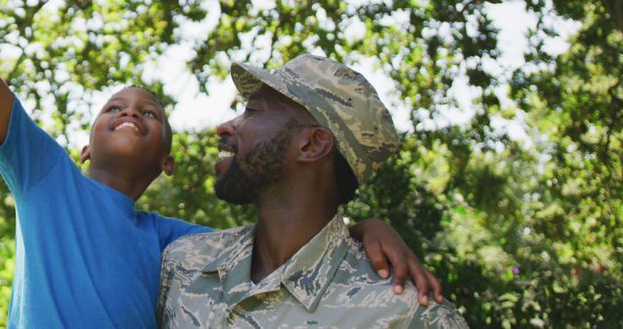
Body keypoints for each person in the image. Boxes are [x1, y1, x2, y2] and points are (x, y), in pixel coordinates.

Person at [0, 0, 441, 327]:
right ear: (81, 149)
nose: (129, 113)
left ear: (168, 162)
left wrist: (360, 232)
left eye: (150, 113)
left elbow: (289, 244)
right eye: (113, 109)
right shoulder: (45, 177)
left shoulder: (175, 248)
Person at [157, 55, 469, 327]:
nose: (224, 127)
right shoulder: (184, 264)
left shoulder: (408, 313)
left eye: (252, 110)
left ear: (312, 144)